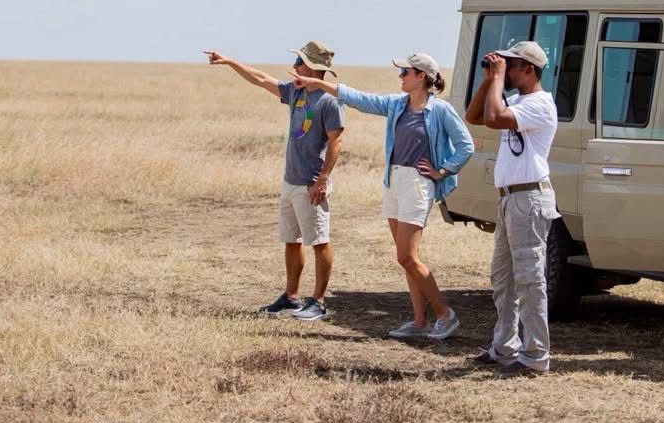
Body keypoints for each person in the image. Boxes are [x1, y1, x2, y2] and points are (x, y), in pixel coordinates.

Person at [291, 53, 473, 340]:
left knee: (407, 256)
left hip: (417, 183)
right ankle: (419, 321)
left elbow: (466, 145)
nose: (401, 76)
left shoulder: (440, 110)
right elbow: (360, 98)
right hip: (394, 181)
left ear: (422, 77)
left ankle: (445, 315)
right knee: (406, 258)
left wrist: (443, 171)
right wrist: (316, 82)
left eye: (406, 71)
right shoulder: (397, 104)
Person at [204, 41, 344, 321]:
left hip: (310, 183)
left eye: (300, 62)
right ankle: (292, 297)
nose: (294, 67)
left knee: (319, 241)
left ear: (314, 68)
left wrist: (323, 179)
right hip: (290, 181)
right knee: (291, 240)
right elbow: (261, 79)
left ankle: (318, 302)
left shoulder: (329, 101)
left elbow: (336, 141)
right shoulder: (295, 91)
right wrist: (231, 61)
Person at [465, 41, 559, 377]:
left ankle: (536, 356)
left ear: (529, 70)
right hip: (510, 198)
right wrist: (491, 78)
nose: (508, 70)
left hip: (529, 199)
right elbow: (474, 116)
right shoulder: (518, 99)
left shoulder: (540, 105)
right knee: (503, 278)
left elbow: (492, 119)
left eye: (513, 65)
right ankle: (505, 348)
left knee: (530, 280)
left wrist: (498, 78)